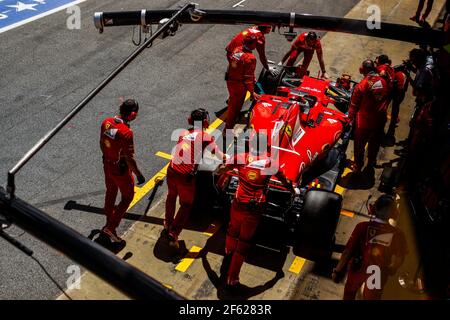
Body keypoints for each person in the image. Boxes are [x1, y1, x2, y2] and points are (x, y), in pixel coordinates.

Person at [219, 132, 295, 288]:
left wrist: (227, 173)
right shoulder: (269, 162)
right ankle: (232, 278)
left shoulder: (241, 157)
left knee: (232, 229)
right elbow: (284, 180)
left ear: (251, 144)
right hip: (254, 209)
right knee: (244, 242)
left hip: (238, 203)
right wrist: (292, 189)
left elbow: (222, 168)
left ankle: (228, 252)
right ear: (265, 146)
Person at [165, 108, 226, 249]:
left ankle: (167, 224)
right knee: (186, 205)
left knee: (171, 196)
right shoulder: (205, 136)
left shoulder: (183, 133)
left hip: (172, 170)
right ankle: (173, 234)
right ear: (205, 121)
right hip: (185, 176)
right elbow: (218, 155)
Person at [332, 194, 408, 300]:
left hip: (358, 268)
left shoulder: (362, 227)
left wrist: (337, 271)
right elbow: (399, 259)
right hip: (377, 273)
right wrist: (390, 269)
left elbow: (347, 252)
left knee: (349, 295)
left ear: (374, 209)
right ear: (394, 213)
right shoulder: (398, 234)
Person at [100, 99, 145, 243]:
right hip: (120, 169)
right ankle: (111, 227)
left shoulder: (106, 122)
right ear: (132, 114)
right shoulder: (126, 132)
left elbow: (102, 143)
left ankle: (109, 221)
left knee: (111, 191)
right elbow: (130, 158)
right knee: (127, 197)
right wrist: (139, 174)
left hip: (107, 164)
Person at [348, 59, 389, 175]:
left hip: (364, 122)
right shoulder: (383, 81)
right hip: (380, 119)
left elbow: (353, 106)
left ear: (363, 69)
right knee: (375, 142)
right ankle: (371, 162)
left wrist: (349, 119)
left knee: (359, 145)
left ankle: (358, 166)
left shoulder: (362, 85)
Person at [225, 33, 261, 131]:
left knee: (232, 100)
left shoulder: (237, 49)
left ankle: (231, 105)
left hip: (230, 81)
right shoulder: (250, 58)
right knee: (235, 109)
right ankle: (227, 131)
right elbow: (248, 79)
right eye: (255, 43)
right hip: (239, 85)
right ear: (252, 44)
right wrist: (252, 92)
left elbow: (231, 63)